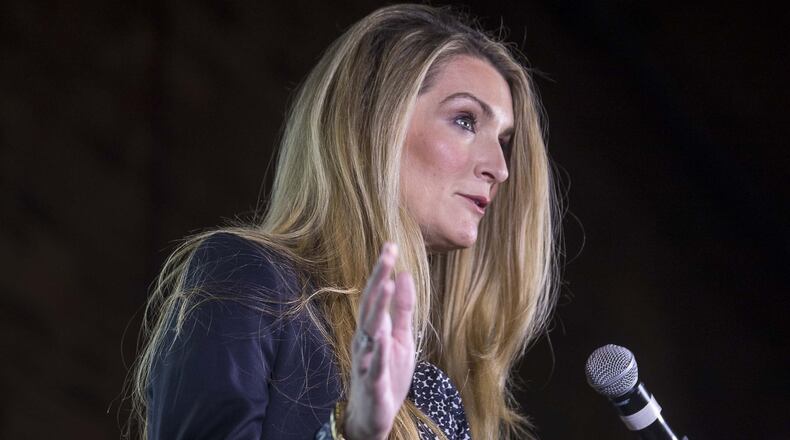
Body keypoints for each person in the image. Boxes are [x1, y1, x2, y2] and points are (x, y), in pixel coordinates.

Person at [127, 4, 559, 439]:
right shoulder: (249, 279)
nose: (500, 168)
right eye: (465, 120)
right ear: (376, 123)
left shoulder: (439, 396)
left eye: (503, 141)